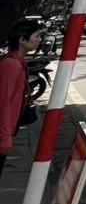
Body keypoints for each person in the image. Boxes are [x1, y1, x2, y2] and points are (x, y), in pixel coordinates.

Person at [1, 19, 43, 179]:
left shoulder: (17, 62)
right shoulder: (11, 65)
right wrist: (4, 137)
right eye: (36, 36)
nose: (39, 40)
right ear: (22, 39)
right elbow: (4, 103)